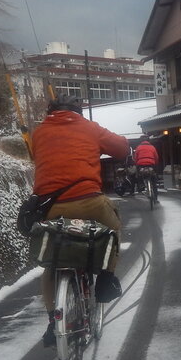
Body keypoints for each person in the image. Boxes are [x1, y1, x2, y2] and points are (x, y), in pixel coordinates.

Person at [32, 95, 129, 347]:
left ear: (51, 112)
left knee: (52, 265)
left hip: (51, 207)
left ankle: (53, 322)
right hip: (90, 202)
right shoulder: (90, 128)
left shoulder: (39, 133)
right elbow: (121, 148)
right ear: (78, 112)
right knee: (113, 229)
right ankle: (106, 279)